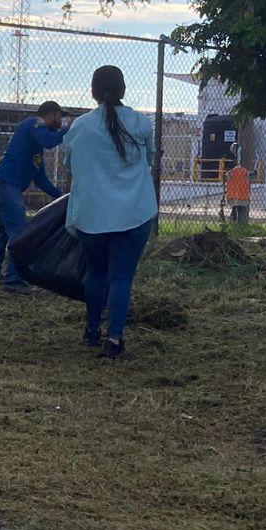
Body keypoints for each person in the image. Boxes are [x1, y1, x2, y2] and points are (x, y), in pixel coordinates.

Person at [62, 66, 158, 360]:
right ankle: (114, 339)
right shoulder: (140, 123)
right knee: (121, 277)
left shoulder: (80, 126)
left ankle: (91, 330)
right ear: (123, 89)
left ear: (93, 90)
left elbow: (69, 166)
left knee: (97, 272)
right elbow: (150, 159)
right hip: (134, 213)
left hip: (92, 216)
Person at [0, 102, 68, 292]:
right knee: (20, 235)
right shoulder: (33, 123)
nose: (60, 121)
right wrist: (68, 129)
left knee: (5, 232)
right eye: (59, 117)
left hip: (1, 187)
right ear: (51, 113)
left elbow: (41, 181)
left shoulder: (35, 151)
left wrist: (63, 197)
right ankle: (14, 280)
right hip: (5, 186)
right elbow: (49, 140)